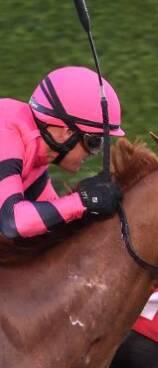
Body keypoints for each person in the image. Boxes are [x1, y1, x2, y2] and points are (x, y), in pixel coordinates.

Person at [0, 66, 124, 242]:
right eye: (94, 142)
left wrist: (91, 205)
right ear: (68, 132)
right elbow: (13, 223)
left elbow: (54, 229)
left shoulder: (35, 156)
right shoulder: (5, 134)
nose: (95, 153)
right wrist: (84, 200)